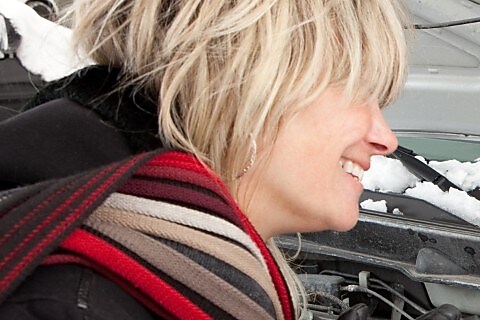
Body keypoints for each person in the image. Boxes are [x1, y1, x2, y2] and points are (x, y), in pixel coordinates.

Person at [0, 0, 407, 319]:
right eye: (359, 91)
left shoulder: (169, 262)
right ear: (245, 82)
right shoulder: (70, 302)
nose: (385, 138)